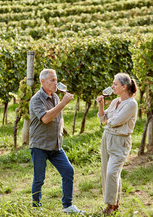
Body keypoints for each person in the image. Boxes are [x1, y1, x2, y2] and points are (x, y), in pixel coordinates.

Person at [29, 69, 86, 214]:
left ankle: (67, 206)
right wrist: (64, 103)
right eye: (52, 80)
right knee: (39, 179)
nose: (56, 83)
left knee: (68, 171)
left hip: (55, 146)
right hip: (40, 146)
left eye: (56, 80)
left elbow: (57, 118)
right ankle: (36, 208)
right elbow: (46, 119)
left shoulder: (54, 97)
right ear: (43, 82)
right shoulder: (36, 99)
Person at [96, 73, 138, 215]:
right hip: (107, 138)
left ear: (124, 87)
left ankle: (110, 205)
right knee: (107, 172)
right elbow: (103, 119)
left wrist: (109, 121)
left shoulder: (131, 104)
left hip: (120, 140)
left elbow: (116, 122)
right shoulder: (115, 101)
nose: (112, 86)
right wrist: (101, 105)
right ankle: (113, 205)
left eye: (115, 84)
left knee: (112, 172)